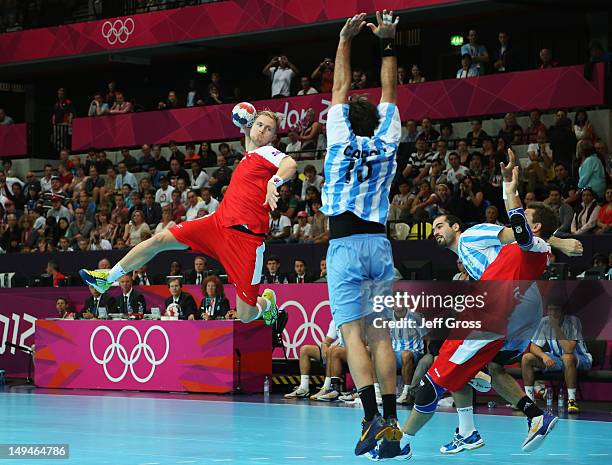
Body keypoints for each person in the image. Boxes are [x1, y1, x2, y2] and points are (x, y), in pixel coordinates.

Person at [393, 150, 583, 458]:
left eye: (440, 225)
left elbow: (517, 230)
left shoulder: (478, 236)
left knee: (446, 375)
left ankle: (400, 441)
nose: (435, 230)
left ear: (455, 227)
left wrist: (511, 189)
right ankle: (485, 424)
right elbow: (526, 232)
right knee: (482, 366)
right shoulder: (526, 250)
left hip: (494, 314)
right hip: (499, 311)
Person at [79, 104, 297, 327]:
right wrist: (246, 124)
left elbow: (290, 164)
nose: (262, 130)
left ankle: (267, 304)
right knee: (160, 239)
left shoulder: (268, 153)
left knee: (246, 314)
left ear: (273, 137)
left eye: (269, 129)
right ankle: (107, 278)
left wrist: (275, 180)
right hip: (218, 224)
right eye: (259, 125)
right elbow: (249, 135)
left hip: (246, 240)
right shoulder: (251, 152)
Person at [320, 11, 403, 458]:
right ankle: (392, 423)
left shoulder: (337, 138)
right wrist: (388, 42)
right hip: (378, 243)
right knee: (382, 337)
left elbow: (339, 87)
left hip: (344, 246)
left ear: (348, 121)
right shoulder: (388, 138)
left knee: (352, 336)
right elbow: (389, 89)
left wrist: (344, 40)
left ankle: (370, 418)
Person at [522, 303, 592, 414]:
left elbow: (569, 349)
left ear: (563, 311)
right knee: (527, 358)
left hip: (580, 359)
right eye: (550, 310)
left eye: (556, 310)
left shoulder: (574, 321)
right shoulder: (544, 321)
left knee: (567, 357)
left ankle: (572, 401)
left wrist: (556, 327)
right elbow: (533, 347)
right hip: (557, 359)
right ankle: (529, 401)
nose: (553, 313)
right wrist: (544, 356)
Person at [285, 319, 344, 399]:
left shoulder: (356, 318)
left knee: (332, 351)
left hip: (347, 354)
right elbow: (326, 341)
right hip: (336, 352)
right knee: (305, 350)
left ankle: (326, 388)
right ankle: (304, 388)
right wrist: (324, 347)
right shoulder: (336, 320)